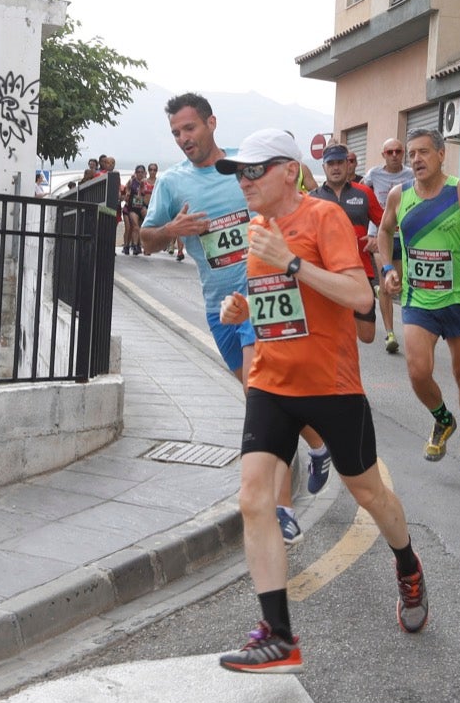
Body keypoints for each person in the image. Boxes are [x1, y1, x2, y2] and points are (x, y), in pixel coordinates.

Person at [212, 129, 427, 673]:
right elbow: (276, 299)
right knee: (253, 498)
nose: (244, 182)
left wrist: (291, 263)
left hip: (331, 386)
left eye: (254, 171)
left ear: (290, 171)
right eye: (239, 173)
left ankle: (407, 563)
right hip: (271, 382)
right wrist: (243, 307)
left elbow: (358, 297)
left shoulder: (325, 216)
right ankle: (278, 635)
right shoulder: (258, 228)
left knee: (369, 494)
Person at [141, 94, 331, 536]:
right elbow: (147, 240)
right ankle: (319, 445)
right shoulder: (172, 183)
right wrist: (173, 230)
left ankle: (281, 508)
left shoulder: (243, 170)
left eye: (189, 128)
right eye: (176, 133)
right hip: (219, 308)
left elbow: (290, 208)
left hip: (261, 295)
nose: (183, 138)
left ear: (211, 123)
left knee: (258, 396)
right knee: (268, 397)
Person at [377, 129, 460, 475]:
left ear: (441, 154)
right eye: (412, 154)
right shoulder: (399, 196)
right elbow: (384, 231)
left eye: (423, 152)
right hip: (418, 297)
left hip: (459, 297)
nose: (416, 159)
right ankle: (443, 419)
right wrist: (387, 268)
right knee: (418, 371)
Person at [309, 144, 383, 343]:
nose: (335, 167)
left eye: (340, 163)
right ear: (324, 167)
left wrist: (377, 239)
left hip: (360, 272)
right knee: (329, 334)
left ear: (348, 165)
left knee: (367, 335)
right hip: (325, 274)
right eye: (330, 163)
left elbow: (387, 224)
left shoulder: (364, 193)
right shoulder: (313, 198)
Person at [365, 138, 415, 355]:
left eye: (398, 151)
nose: (394, 155)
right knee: (387, 282)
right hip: (379, 235)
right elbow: (363, 195)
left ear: (403, 153)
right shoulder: (373, 175)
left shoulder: (411, 175)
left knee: (397, 285)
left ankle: (381, 291)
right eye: (390, 152)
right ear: (383, 154)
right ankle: (390, 334)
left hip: (402, 236)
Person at [120, 164, 149, 254]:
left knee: (139, 227)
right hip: (129, 208)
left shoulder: (146, 183)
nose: (140, 174)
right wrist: (127, 195)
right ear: (135, 173)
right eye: (138, 172)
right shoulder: (131, 181)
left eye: (142, 172)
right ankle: (126, 246)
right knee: (129, 228)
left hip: (141, 207)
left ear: (144, 173)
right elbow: (126, 192)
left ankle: (137, 245)